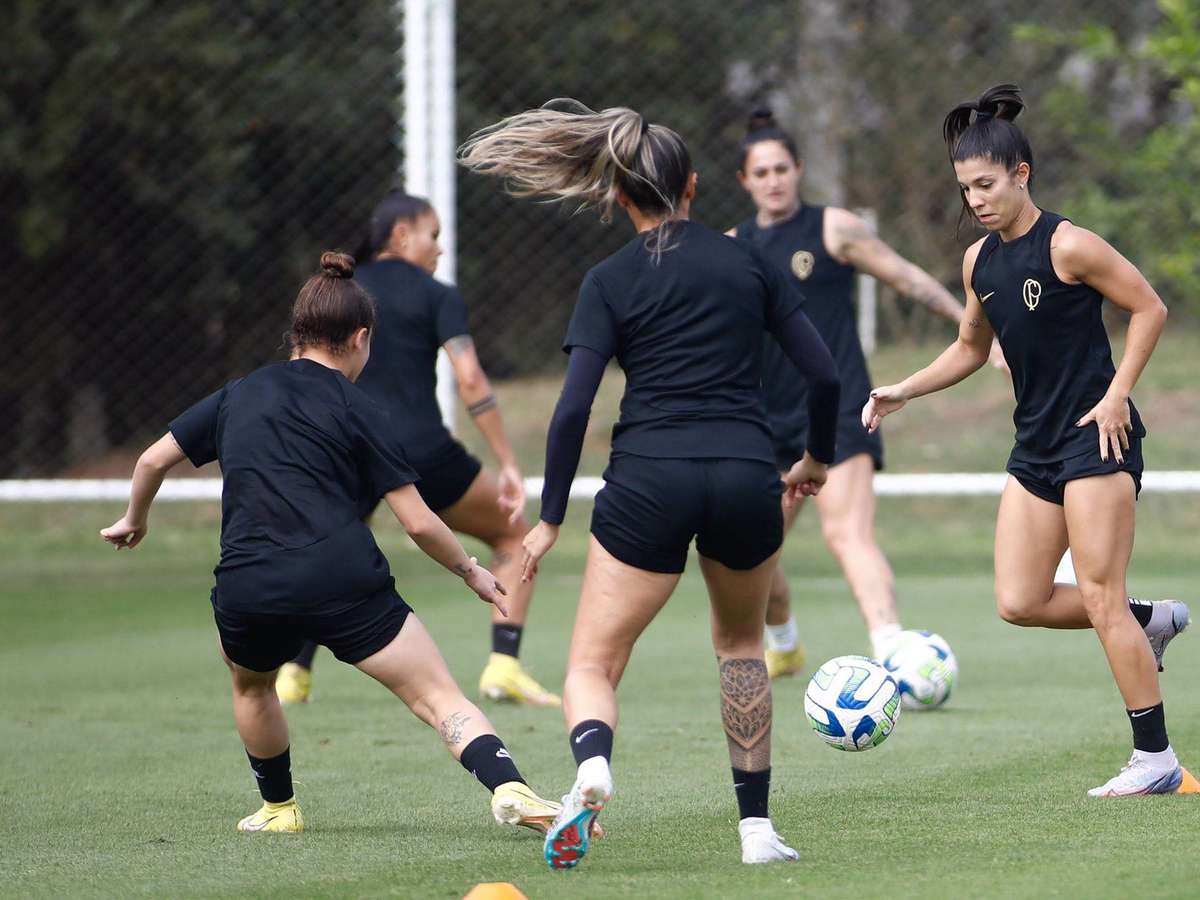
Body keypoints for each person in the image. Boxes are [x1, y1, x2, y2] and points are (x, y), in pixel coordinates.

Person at [459, 99, 842, 867]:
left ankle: (593, 768)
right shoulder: (748, 261)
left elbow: (572, 411)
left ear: (617, 196)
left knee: (593, 664)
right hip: (743, 473)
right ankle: (757, 832)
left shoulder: (608, 278)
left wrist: (551, 519)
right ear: (694, 186)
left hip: (648, 481)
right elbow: (824, 374)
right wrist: (817, 461)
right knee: (740, 645)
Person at [100, 252, 562, 833]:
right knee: (438, 697)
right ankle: (513, 788)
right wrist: (471, 572)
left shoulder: (237, 394)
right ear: (360, 339)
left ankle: (279, 808)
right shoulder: (360, 407)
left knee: (252, 685)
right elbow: (417, 523)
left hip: (249, 584)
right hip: (341, 576)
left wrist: (134, 519)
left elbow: (151, 460)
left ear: (297, 333)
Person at [862, 84, 1191, 796]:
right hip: (1036, 447)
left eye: (986, 184)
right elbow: (969, 349)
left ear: (1021, 174)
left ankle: (1156, 761)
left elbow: (1149, 308)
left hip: (1097, 440)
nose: (975, 199)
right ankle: (1152, 621)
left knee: (1100, 596)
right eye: (965, 188)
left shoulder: (1070, 244)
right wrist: (904, 390)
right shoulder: (980, 262)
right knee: (1019, 600)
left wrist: (1116, 395)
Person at [730, 108, 1007, 677]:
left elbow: (907, 277)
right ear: (745, 181)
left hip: (839, 408)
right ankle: (782, 641)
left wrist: (979, 330)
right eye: (761, 173)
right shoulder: (733, 248)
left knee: (846, 533)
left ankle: (893, 651)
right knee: (752, 552)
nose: (773, 180)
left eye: (782, 168)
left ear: (798, 169)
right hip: (765, 420)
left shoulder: (833, 228)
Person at [275, 193, 559, 708]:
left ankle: (293, 675)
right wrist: (509, 462)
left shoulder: (342, 290)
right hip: (420, 450)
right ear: (402, 235)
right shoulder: (436, 294)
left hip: (345, 445)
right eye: (433, 235)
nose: (440, 249)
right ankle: (504, 665)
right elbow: (470, 379)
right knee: (514, 532)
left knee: (327, 549)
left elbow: (303, 363)